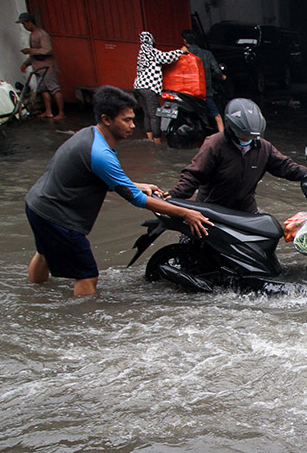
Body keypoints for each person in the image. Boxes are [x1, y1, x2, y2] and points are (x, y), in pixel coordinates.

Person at [24, 86, 212, 297]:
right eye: (126, 120)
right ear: (106, 119)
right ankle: (82, 322)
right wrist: (185, 213)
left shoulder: (89, 135)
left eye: (133, 119)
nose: (133, 125)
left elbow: (99, 179)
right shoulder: (101, 154)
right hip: (58, 218)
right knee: (87, 275)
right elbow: (137, 200)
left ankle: (33, 297)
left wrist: (135, 184)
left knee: (44, 253)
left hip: (36, 205)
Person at [166, 98, 307, 213]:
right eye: (243, 136)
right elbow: (193, 176)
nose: (247, 140)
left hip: (245, 209)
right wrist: (172, 195)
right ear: (232, 129)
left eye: (250, 136)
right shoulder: (214, 144)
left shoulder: (263, 147)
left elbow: (285, 167)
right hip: (213, 209)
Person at [133, 31, 187, 145]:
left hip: (138, 88)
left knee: (147, 114)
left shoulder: (141, 54)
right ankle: (157, 142)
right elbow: (167, 57)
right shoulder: (152, 52)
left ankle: (149, 138)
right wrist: (180, 51)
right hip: (148, 88)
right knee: (154, 115)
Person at [17, 12, 64, 119]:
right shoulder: (33, 34)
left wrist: (30, 50)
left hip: (47, 67)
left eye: (24, 24)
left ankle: (61, 112)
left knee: (54, 89)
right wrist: (26, 63)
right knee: (43, 90)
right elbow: (34, 54)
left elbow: (47, 50)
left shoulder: (42, 34)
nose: (24, 27)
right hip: (38, 68)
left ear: (29, 22)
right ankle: (48, 111)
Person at [181, 29, 226, 133]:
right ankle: (222, 138)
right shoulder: (207, 54)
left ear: (185, 41)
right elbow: (217, 71)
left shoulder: (182, 54)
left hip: (186, 92)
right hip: (204, 92)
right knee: (217, 116)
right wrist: (222, 76)